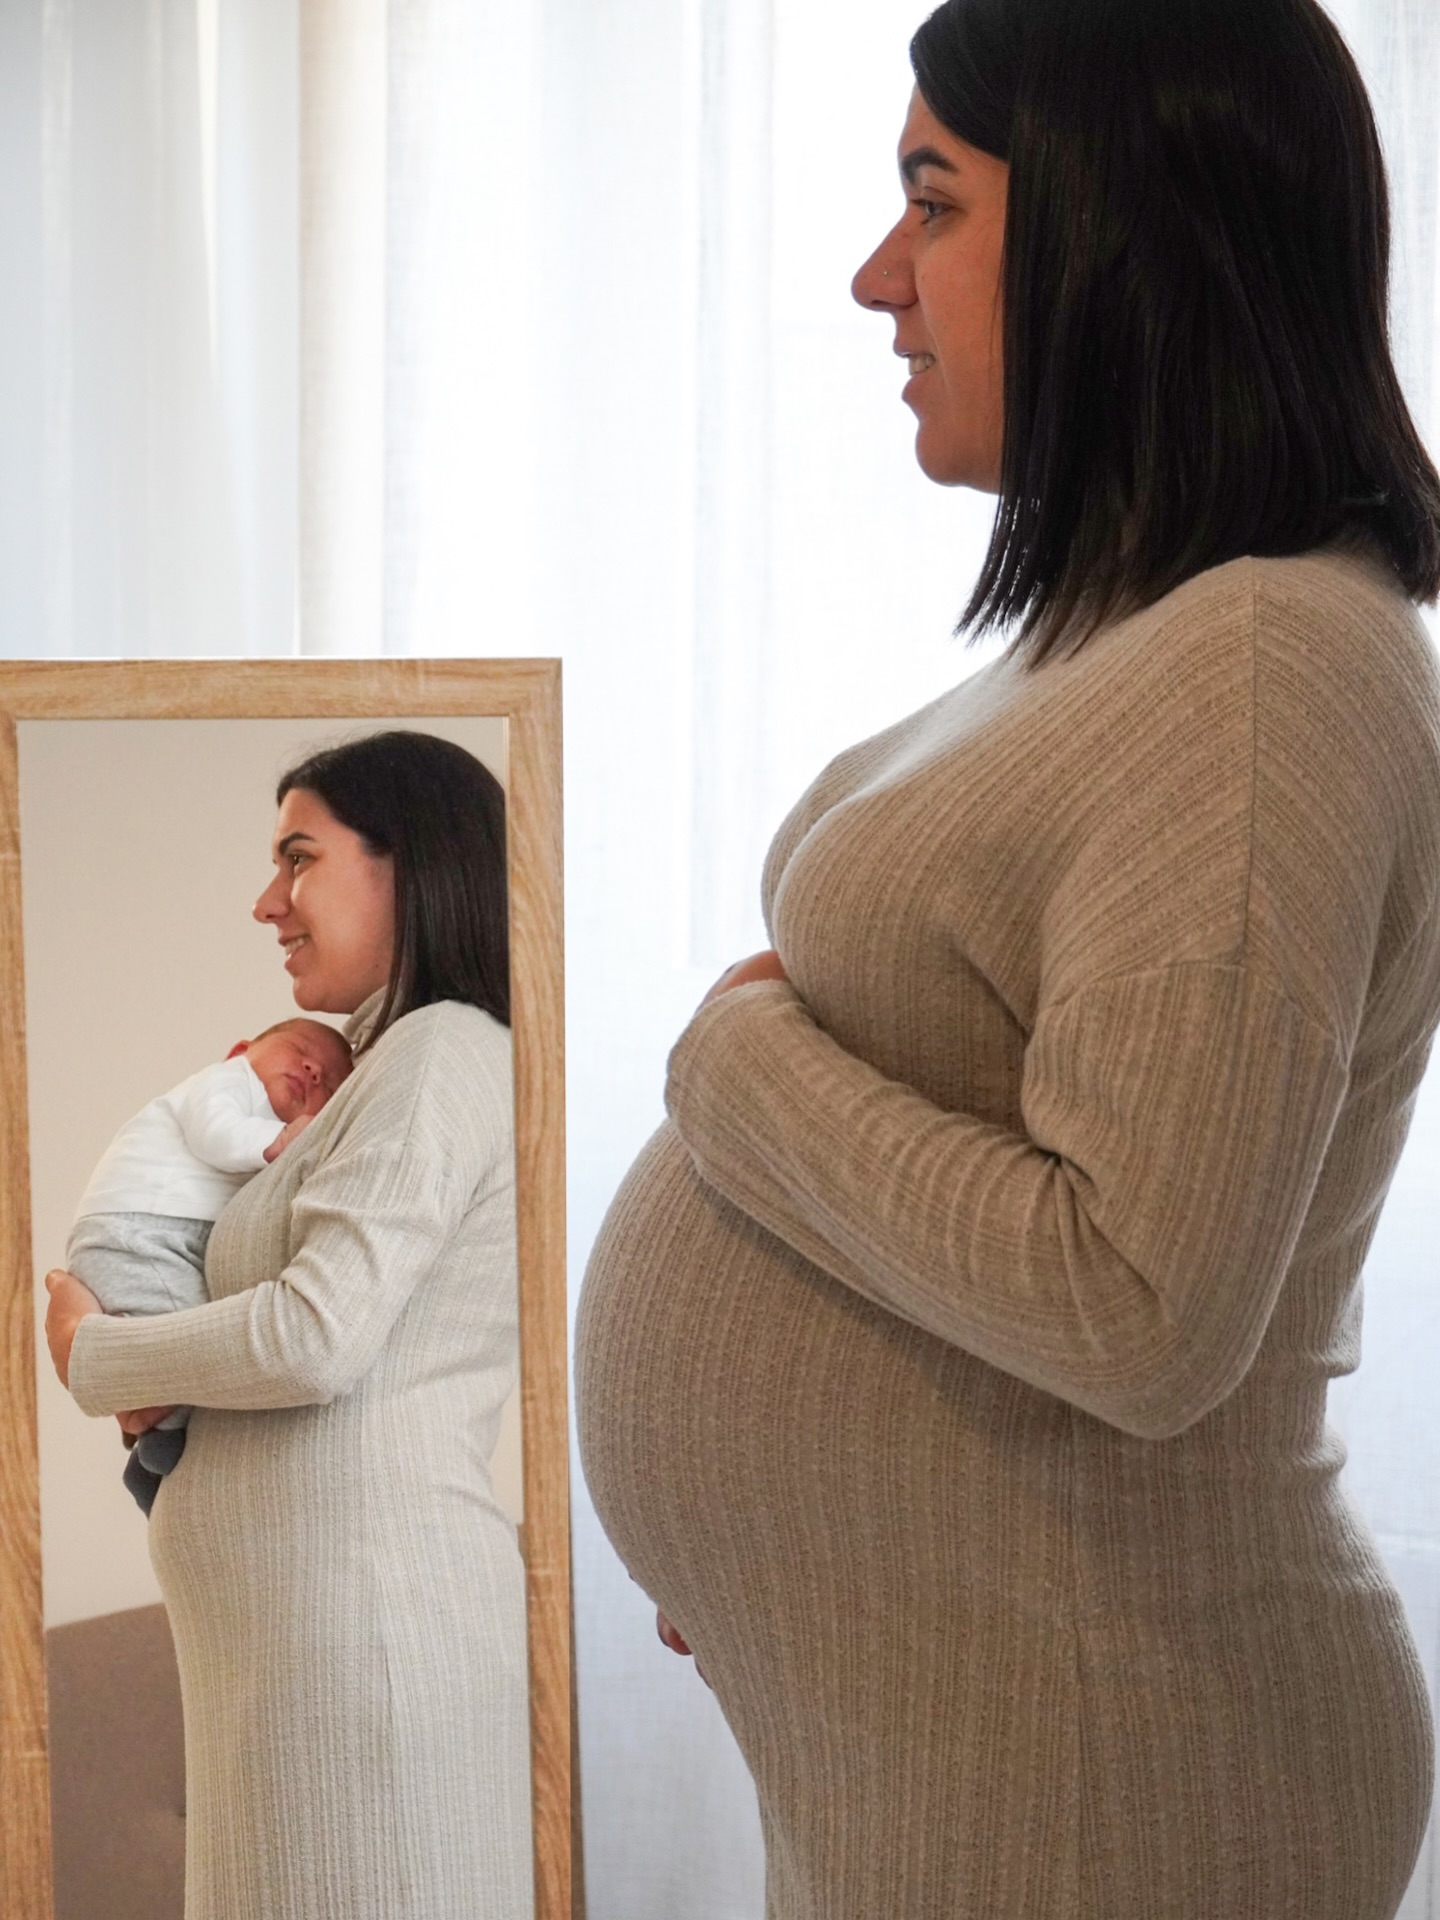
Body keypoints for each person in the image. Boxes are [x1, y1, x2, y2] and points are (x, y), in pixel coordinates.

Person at [574, 1, 1440, 1916]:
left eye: (933, 200)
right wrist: (815, 1546)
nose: (877, 278)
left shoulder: (1261, 673)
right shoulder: (1154, 635)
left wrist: (736, 1076)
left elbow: (1138, 1301)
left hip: (1110, 1768)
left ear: (1128, 237)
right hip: (993, 1718)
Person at [44, 730, 533, 1920]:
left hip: (365, 1647)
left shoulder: (442, 1052)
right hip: (303, 1660)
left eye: (299, 859)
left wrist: (96, 1355)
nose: (268, 903)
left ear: (408, 865)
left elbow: (316, 1334)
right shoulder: (370, 1073)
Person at [67, 1015, 353, 1514]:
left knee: (188, 1343)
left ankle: (153, 1440)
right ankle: (154, 1464)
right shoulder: (226, 1083)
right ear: (241, 1049)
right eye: (299, 1049)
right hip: (137, 1231)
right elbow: (215, 1133)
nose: (311, 1069)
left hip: (161, 1234)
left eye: (327, 1082)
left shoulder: (261, 1133)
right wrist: (280, 1140)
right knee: (190, 1345)